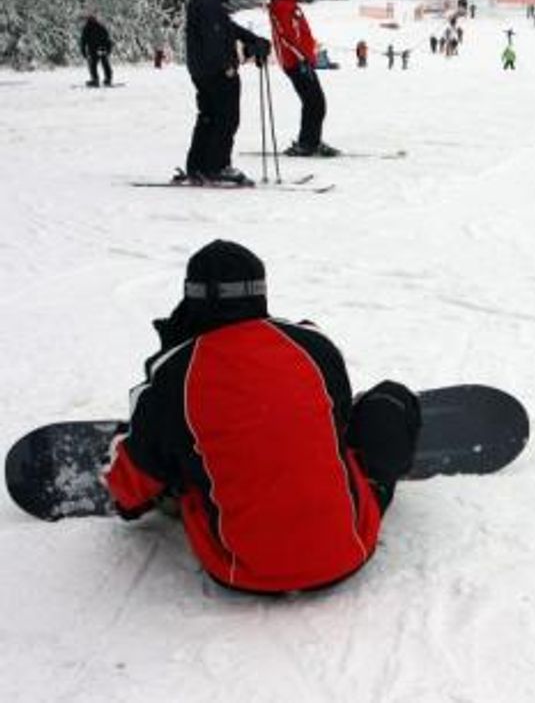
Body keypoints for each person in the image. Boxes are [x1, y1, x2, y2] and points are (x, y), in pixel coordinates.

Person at [103, 240, 421, 595]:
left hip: (240, 569)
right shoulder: (313, 346)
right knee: (391, 399)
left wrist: (132, 453)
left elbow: (127, 494)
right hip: (348, 551)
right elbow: (340, 425)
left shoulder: (174, 372)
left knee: (176, 448)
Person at [183, 0, 271, 186]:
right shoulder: (210, 4)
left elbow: (228, 28)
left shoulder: (203, 0)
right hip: (216, 70)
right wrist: (228, 65)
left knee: (208, 116)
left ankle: (198, 165)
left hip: (200, 69)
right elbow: (214, 38)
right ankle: (217, 166)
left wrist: (251, 38)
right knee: (227, 118)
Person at [269, 0, 338, 158]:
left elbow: (299, 33)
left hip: (303, 60)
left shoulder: (291, 4)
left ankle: (311, 141)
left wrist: (310, 52)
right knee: (315, 102)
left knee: (315, 103)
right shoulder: (281, 6)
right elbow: (286, 37)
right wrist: (302, 58)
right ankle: (307, 143)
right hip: (296, 63)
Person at [80, 14, 113, 87]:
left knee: (93, 65)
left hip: (94, 50)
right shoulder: (100, 27)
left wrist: (83, 52)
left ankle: (95, 80)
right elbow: (108, 39)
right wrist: (108, 50)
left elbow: (83, 41)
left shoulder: (87, 29)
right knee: (105, 64)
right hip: (102, 49)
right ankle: (108, 79)